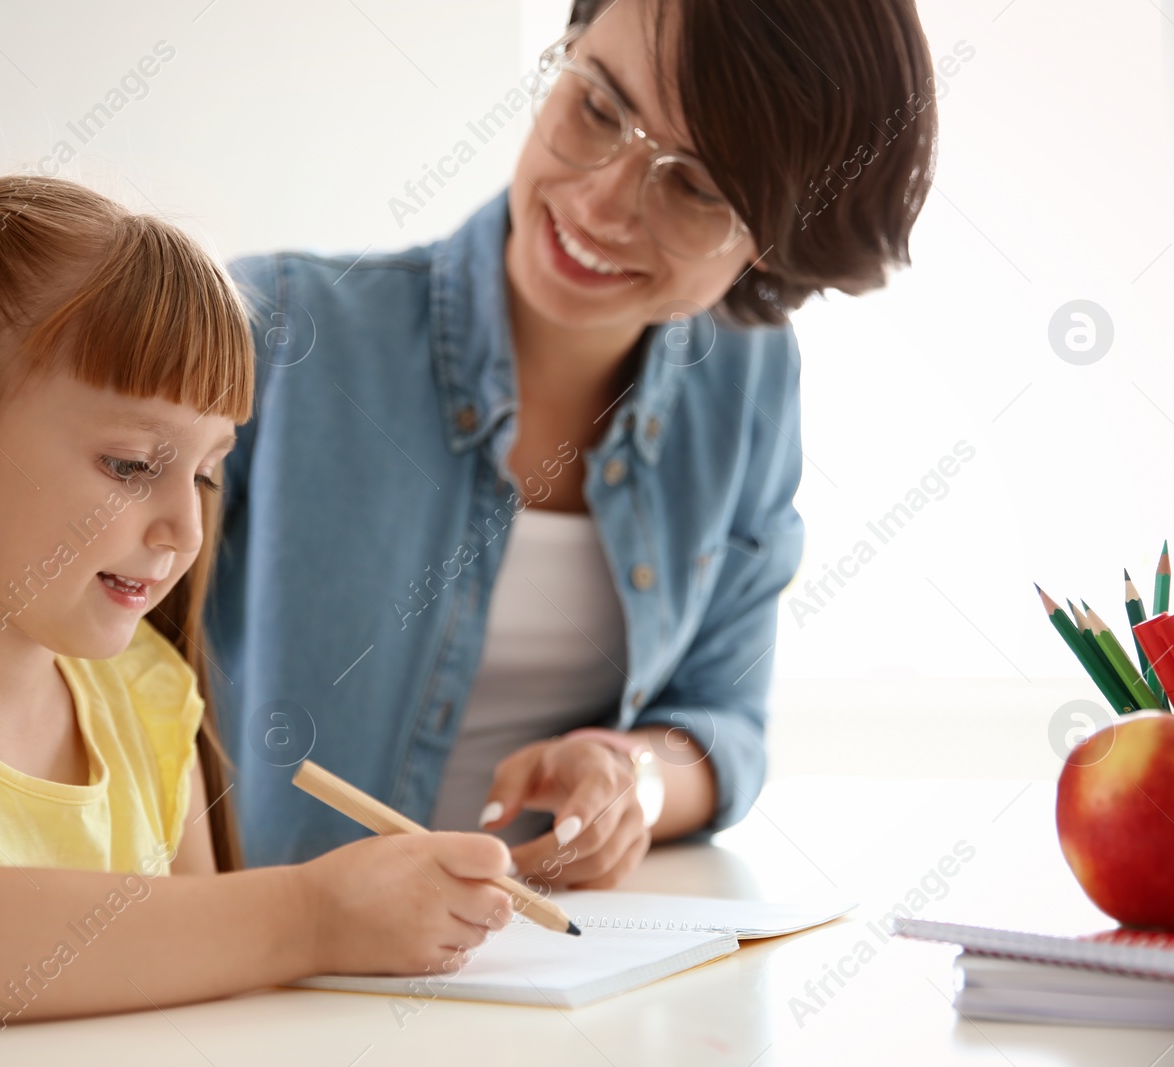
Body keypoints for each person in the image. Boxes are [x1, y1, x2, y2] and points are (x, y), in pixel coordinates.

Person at [0, 149, 511, 1052]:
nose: (184, 531)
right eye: (130, 465)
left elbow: (201, 1001)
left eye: (204, 471)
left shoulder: (145, 703)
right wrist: (311, 913)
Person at [211, 0, 937, 887]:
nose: (601, 201)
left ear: (771, 248)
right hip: (278, 983)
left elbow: (725, 720)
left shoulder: (745, 380)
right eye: (596, 106)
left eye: (698, 187)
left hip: (553, 976)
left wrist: (630, 777)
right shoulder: (276, 331)